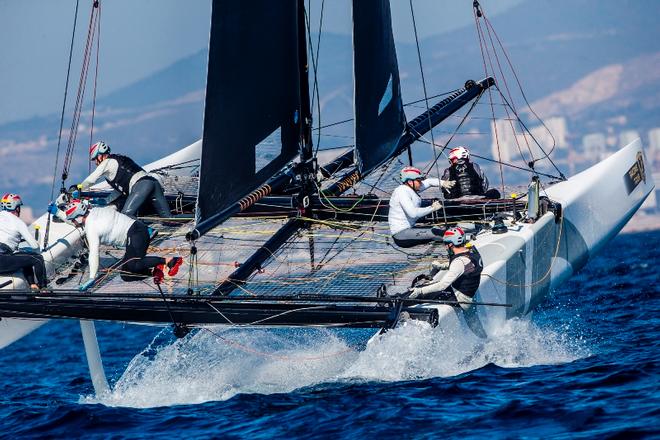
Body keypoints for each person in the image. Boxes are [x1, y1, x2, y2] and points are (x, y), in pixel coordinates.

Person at [48, 199, 182, 290]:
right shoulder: (94, 211)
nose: (74, 223)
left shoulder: (91, 227)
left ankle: (170, 261)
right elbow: (77, 218)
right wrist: (59, 213)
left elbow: (94, 253)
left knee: (133, 264)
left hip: (136, 233)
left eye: (73, 220)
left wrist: (91, 278)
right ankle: (154, 270)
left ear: (78, 217)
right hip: (137, 233)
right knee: (126, 275)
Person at [77, 141, 171, 218]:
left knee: (126, 216)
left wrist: (79, 188)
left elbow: (91, 180)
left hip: (141, 186)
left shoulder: (106, 162)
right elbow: (120, 190)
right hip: (153, 182)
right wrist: (106, 200)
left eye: (95, 159)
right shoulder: (117, 160)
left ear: (100, 155)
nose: (95, 162)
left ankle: (148, 232)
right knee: (167, 218)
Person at [406, 226, 483, 310]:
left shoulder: (459, 261)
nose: (445, 247)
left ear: (451, 244)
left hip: (460, 300)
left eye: (446, 244)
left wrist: (419, 291)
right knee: (428, 286)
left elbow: (442, 285)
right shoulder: (472, 253)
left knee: (421, 293)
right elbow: (466, 266)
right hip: (466, 295)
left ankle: (398, 302)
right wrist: (443, 266)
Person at [388, 166, 453, 248]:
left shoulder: (411, 188)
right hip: (401, 235)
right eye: (418, 180)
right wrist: (432, 208)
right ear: (410, 182)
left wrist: (443, 183)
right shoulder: (402, 192)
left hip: (409, 230)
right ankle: (457, 255)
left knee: (442, 229)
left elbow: (429, 182)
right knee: (440, 233)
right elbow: (413, 214)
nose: (421, 182)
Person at [0, 193, 48, 290]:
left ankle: (32, 284)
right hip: (2, 259)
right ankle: (43, 288)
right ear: (17, 208)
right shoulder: (18, 222)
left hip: (3, 256)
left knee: (24, 256)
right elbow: (35, 246)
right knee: (37, 258)